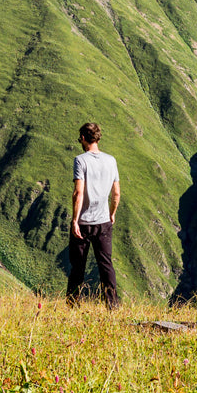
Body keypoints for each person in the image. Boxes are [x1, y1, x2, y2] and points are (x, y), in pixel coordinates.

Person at [66, 121, 121, 308]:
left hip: (83, 222)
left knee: (78, 267)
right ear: (97, 138)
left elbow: (78, 192)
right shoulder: (111, 160)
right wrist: (112, 213)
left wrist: (75, 220)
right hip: (104, 221)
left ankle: (72, 305)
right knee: (106, 265)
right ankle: (112, 305)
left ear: (83, 138)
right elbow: (116, 193)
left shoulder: (80, 160)